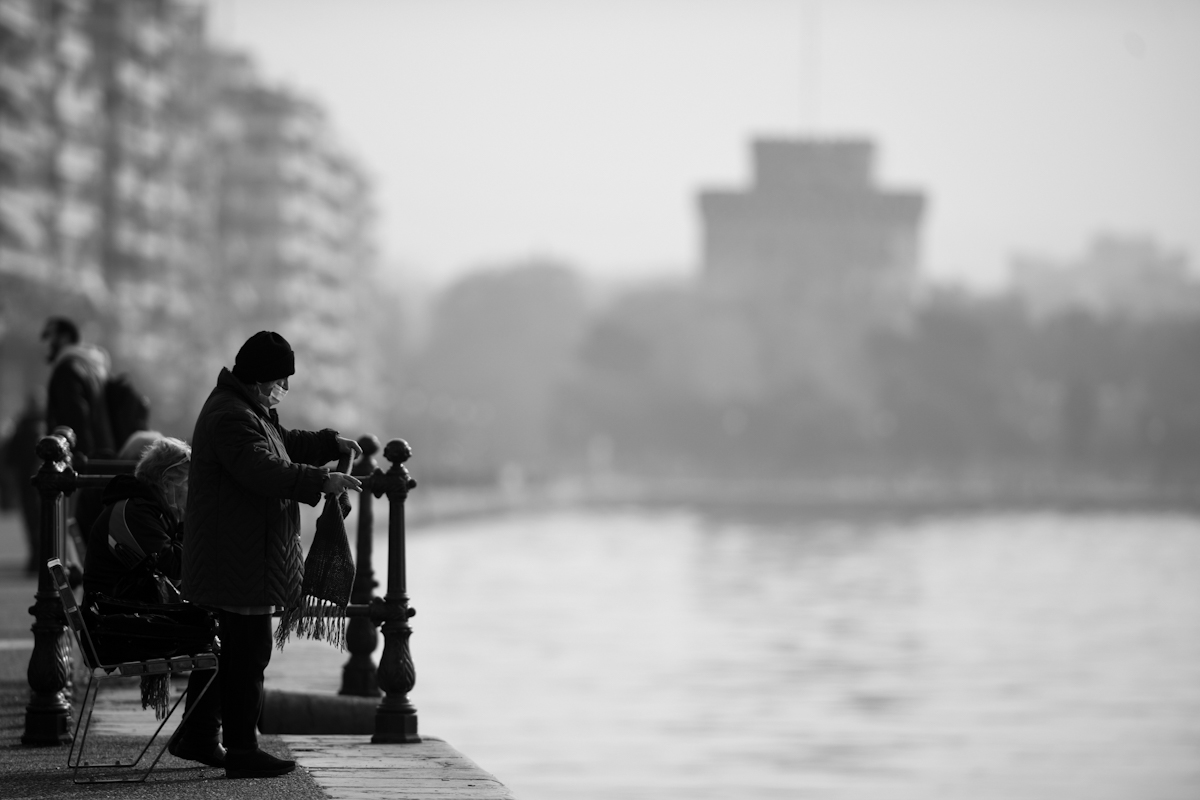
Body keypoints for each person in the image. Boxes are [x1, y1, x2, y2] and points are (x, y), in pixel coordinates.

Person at [182, 331, 361, 780]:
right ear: (261, 377)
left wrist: (329, 445)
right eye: (281, 379)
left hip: (240, 551)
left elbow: (282, 443)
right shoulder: (231, 415)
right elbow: (261, 468)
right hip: (239, 555)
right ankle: (242, 750)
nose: (284, 387)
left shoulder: (244, 408)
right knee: (248, 652)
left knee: (230, 649)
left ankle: (198, 735)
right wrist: (320, 481)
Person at [82, 435, 223, 767]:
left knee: (224, 632)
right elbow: (176, 566)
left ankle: (198, 737)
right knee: (225, 640)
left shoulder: (141, 510)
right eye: (190, 484)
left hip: (118, 620)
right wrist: (192, 522)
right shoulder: (132, 513)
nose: (194, 492)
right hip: (113, 631)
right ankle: (199, 739)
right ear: (168, 481)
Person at [42, 317, 115, 459]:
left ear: (65, 337)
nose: (45, 343)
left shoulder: (67, 370)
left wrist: (76, 457)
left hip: (80, 460)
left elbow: (75, 419)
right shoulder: (92, 369)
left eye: (48, 336)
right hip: (101, 456)